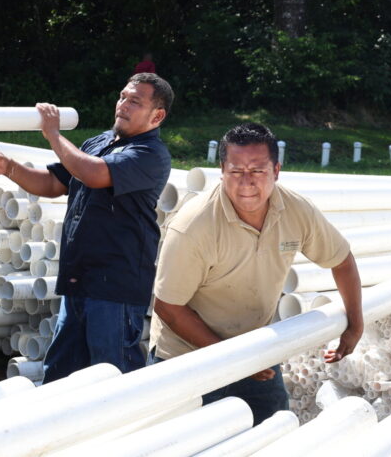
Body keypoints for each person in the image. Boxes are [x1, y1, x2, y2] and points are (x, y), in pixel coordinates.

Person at [149, 122, 363, 424]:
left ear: (276, 170)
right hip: (188, 359)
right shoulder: (193, 226)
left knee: (273, 434)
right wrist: (236, 359)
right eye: (236, 171)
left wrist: (355, 322)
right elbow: (168, 307)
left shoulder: (295, 210)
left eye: (258, 171)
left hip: (256, 350)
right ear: (222, 170)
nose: (246, 182)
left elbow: (341, 260)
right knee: (187, 444)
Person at [0, 73, 173, 380]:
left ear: (157, 115)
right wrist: (10, 168)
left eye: (135, 101)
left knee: (112, 378)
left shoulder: (151, 155)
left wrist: (53, 134)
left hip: (114, 290)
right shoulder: (99, 143)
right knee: (59, 373)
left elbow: (94, 174)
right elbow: (54, 183)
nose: (123, 105)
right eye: (122, 97)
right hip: (79, 280)